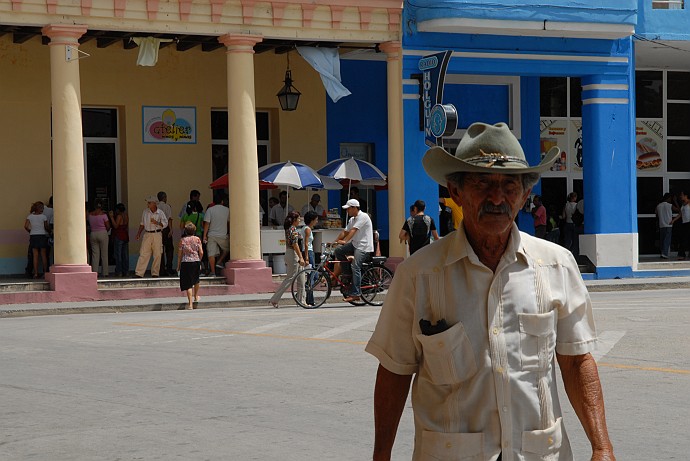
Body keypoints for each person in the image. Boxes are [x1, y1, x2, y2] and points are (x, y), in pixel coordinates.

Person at [366, 122, 615, 461]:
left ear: (525, 195)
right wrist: (381, 455)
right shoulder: (418, 275)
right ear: (456, 192)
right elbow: (395, 370)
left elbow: (576, 362)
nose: (497, 197)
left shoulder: (557, 265)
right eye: (482, 183)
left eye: (509, 185)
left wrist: (602, 446)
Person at [332, 199, 373, 303]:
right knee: (338, 251)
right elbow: (345, 231)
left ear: (355, 208)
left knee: (356, 266)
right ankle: (347, 273)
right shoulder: (352, 219)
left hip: (364, 247)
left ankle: (356, 293)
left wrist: (345, 241)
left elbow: (353, 231)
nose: (347, 211)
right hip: (355, 244)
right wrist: (335, 242)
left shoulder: (363, 216)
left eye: (348, 209)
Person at [270, 211, 306, 308]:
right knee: (290, 278)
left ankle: (301, 300)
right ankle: (275, 299)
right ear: (294, 220)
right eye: (298, 219)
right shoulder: (292, 229)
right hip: (293, 254)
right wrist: (301, 257)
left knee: (302, 278)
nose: (300, 220)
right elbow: (295, 244)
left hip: (292, 254)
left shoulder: (291, 229)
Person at [134, 195, 168, 277]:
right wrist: (138, 233)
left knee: (157, 254)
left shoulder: (160, 213)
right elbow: (142, 223)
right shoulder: (145, 211)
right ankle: (139, 273)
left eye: (149, 203)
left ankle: (155, 273)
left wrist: (157, 223)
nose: (148, 204)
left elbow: (165, 224)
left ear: (155, 203)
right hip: (147, 234)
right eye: (148, 203)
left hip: (157, 234)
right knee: (143, 253)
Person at [177, 222, 204, 310]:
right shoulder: (197, 239)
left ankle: (190, 304)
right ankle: (196, 296)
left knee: (188, 284)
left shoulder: (182, 240)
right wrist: (199, 259)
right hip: (196, 261)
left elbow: (180, 254)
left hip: (186, 262)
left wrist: (178, 265)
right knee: (196, 280)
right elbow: (201, 252)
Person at [202, 194, 229, 276]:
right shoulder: (227, 210)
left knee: (211, 253)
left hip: (211, 235)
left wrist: (204, 236)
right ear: (222, 201)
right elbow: (229, 222)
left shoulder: (210, 210)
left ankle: (213, 272)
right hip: (223, 235)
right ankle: (219, 261)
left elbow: (206, 223)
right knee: (226, 249)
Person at [24, 201, 50, 279]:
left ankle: (35, 273)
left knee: (35, 255)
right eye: (41, 207)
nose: (42, 209)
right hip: (42, 236)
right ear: (39, 208)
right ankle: (45, 273)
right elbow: (46, 227)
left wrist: (30, 231)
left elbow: (25, 226)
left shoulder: (30, 216)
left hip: (33, 236)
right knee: (43, 255)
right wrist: (50, 231)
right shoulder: (43, 217)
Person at [180, 200, 207, 274]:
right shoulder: (200, 215)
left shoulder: (185, 216)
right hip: (197, 235)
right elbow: (203, 226)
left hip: (187, 236)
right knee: (198, 252)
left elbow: (181, 227)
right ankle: (199, 268)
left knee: (186, 252)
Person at [87, 199, 111, 278]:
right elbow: (108, 226)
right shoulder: (104, 215)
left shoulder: (90, 215)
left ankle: (95, 272)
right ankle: (105, 272)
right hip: (102, 233)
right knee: (104, 254)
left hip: (93, 234)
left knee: (95, 255)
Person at [157, 191, 175, 276]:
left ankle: (161, 269)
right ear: (164, 198)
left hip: (158, 230)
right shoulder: (167, 207)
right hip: (166, 229)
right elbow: (169, 219)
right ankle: (169, 268)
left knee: (160, 250)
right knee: (169, 249)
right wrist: (171, 230)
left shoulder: (155, 207)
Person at [110, 203, 130, 277]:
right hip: (125, 235)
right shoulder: (126, 215)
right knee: (125, 255)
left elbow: (115, 226)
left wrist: (111, 217)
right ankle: (126, 271)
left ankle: (119, 271)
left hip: (119, 235)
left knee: (118, 255)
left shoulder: (119, 216)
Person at [656, 192, 677, 259]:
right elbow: (678, 210)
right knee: (667, 239)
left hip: (661, 224)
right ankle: (665, 253)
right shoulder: (669, 205)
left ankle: (662, 252)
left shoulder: (658, 205)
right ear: (668, 198)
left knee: (662, 239)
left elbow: (656, 213)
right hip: (669, 224)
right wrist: (675, 201)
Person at [677, 191, 690, 260]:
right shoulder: (683, 204)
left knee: (685, 238)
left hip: (689, 222)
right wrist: (673, 220)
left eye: (682, 195)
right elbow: (680, 214)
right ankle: (682, 254)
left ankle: (682, 254)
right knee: (683, 238)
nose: (680, 196)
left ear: (686, 195)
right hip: (684, 223)